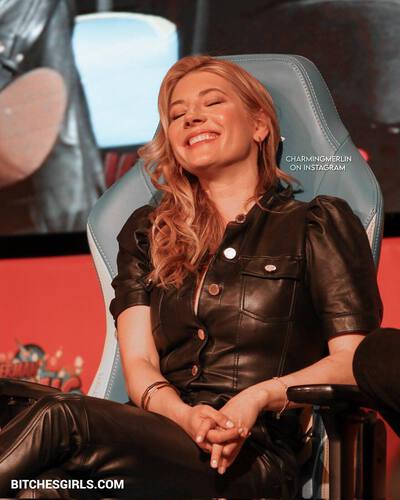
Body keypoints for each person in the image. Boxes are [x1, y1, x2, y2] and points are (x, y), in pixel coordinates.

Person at [0, 55, 383, 499]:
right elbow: (139, 363)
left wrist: (256, 398)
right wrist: (183, 415)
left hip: (251, 458)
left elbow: (353, 361)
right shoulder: (148, 233)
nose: (191, 118)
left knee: (61, 416)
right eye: (177, 114)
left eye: (212, 103)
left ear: (260, 125)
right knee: (40, 489)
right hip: (153, 439)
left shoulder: (315, 224)